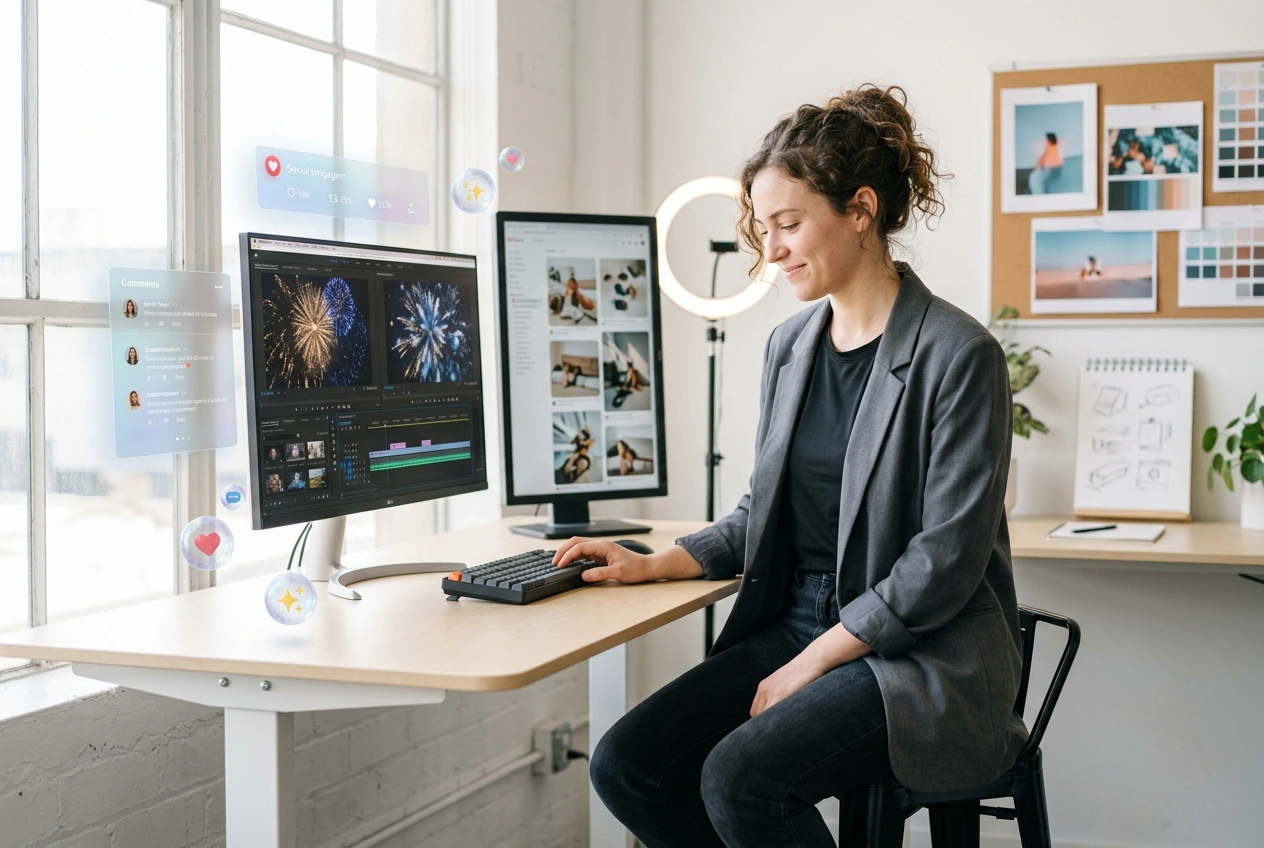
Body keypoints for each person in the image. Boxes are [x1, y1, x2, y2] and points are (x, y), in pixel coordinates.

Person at [555, 84, 1025, 848]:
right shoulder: (791, 347)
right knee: (627, 766)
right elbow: (764, 513)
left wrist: (817, 659)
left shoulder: (959, 355)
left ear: (861, 209)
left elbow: (943, 563)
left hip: (918, 652)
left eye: (788, 224)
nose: (769, 251)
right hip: (797, 619)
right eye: (763, 227)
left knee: (739, 780)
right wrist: (658, 562)